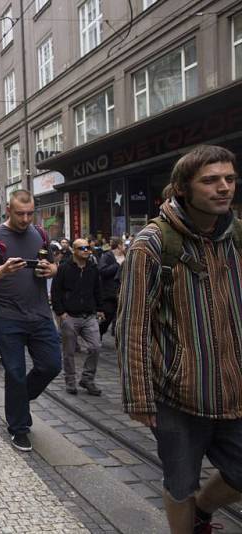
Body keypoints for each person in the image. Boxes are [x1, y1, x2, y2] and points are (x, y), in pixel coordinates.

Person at [117, 145, 242, 534]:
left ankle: (204, 510)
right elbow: (132, 325)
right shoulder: (152, 244)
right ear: (183, 189)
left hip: (235, 389)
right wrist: (139, 395)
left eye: (229, 179)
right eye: (210, 180)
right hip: (178, 395)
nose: (224, 187)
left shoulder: (236, 235)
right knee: (180, 482)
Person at [0, 189, 61, 452]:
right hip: (4, 315)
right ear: (8, 212)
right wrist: (0, 272)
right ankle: (19, 428)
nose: (25, 219)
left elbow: (51, 264)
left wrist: (53, 270)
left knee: (51, 365)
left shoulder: (41, 235)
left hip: (38, 313)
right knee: (14, 372)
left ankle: (18, 401)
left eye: (29, 213)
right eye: (20, 214)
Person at [51, 238, 105, 396]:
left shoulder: (93, 268)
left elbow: (97, 289)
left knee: (95, 347)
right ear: (74, 251)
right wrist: (61, 313)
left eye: (88, 247)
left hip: (89, 315)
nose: (87, 250)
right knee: (69, 352)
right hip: (70, 316)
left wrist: (100, 309)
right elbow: (56, 292)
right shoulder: (64, 268)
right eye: (82, 248)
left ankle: (87, 379)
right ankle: (70, 381)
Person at [97, 236, 124, 339]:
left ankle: (118, 336)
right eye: (123, 245)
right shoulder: (107, 256)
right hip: (109, 292)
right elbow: (103, 271)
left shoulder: (126, 256)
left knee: (121, 318)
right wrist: (117, 265)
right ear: (119, 246)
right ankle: (99, 333)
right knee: (108, 316)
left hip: (122, 292)